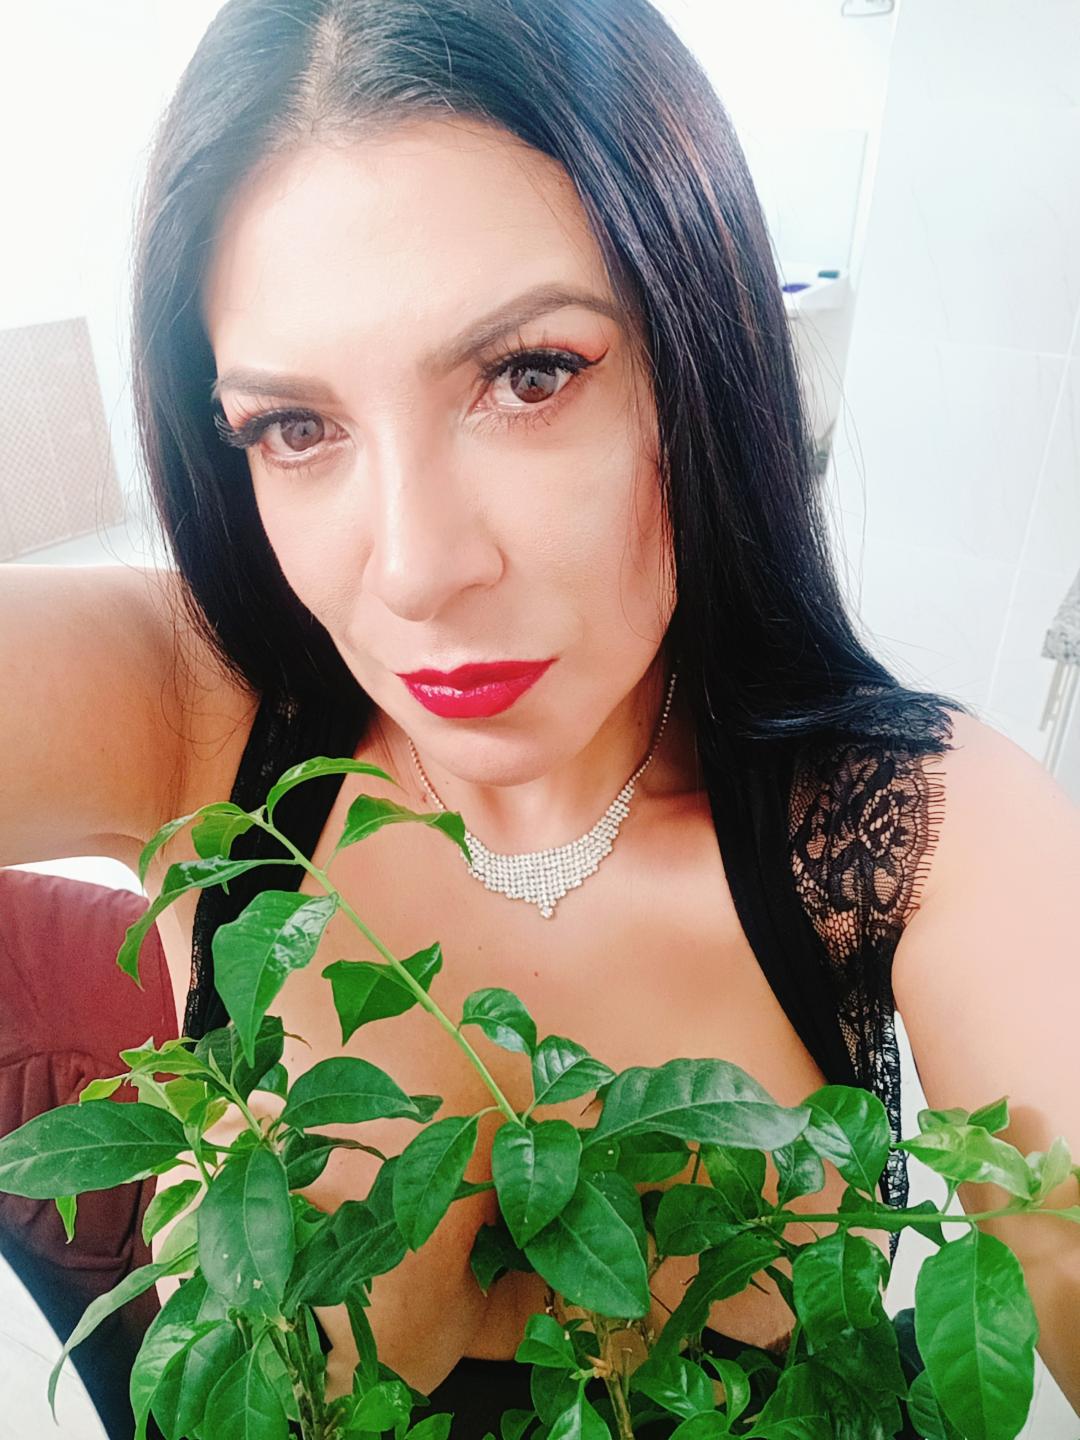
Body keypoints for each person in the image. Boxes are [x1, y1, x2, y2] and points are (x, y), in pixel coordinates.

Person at [2, 0, 1078, 1432]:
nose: (414, 569)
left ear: (701, 364)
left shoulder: (913, 834)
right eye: (295, 428)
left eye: (528, 376)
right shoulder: (195, 706)